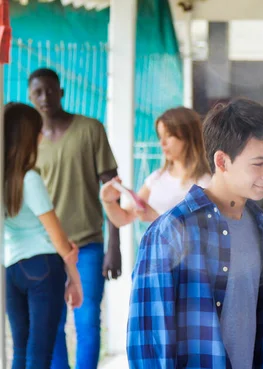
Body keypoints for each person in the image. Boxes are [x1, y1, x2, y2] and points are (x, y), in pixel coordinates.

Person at [127, 98, 263, 368]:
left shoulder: (258, 223)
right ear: (222, 161)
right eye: (258, 164)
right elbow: (148, 340)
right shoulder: (171, 230)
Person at [28, 68, 122, 369]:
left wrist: (114, 246)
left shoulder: (90, 129)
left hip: (88, 243)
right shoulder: (28, 141)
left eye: (50, 90)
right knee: (51, 325)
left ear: (62, 92)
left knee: (87, 320)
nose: (45, 98)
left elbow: (112, 191)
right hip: (44, 247)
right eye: (38, 93)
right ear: (30, 97)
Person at [3, 102, 84, 369]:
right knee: (40, 354)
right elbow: (57, 237)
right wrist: (75, 278)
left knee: (21, 350)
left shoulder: (5, 180)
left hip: (12, 269)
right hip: (42, 267)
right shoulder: (29, 179)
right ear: (29, 136)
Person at [100, 107, 212, 225]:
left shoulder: (204, 183)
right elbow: (124, 218)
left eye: (168, 136)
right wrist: (108, 201)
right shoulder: (157, 177)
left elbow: (201, 232)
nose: (162, 143)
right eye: (160, 137)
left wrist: (155, 216)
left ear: (188, 136)